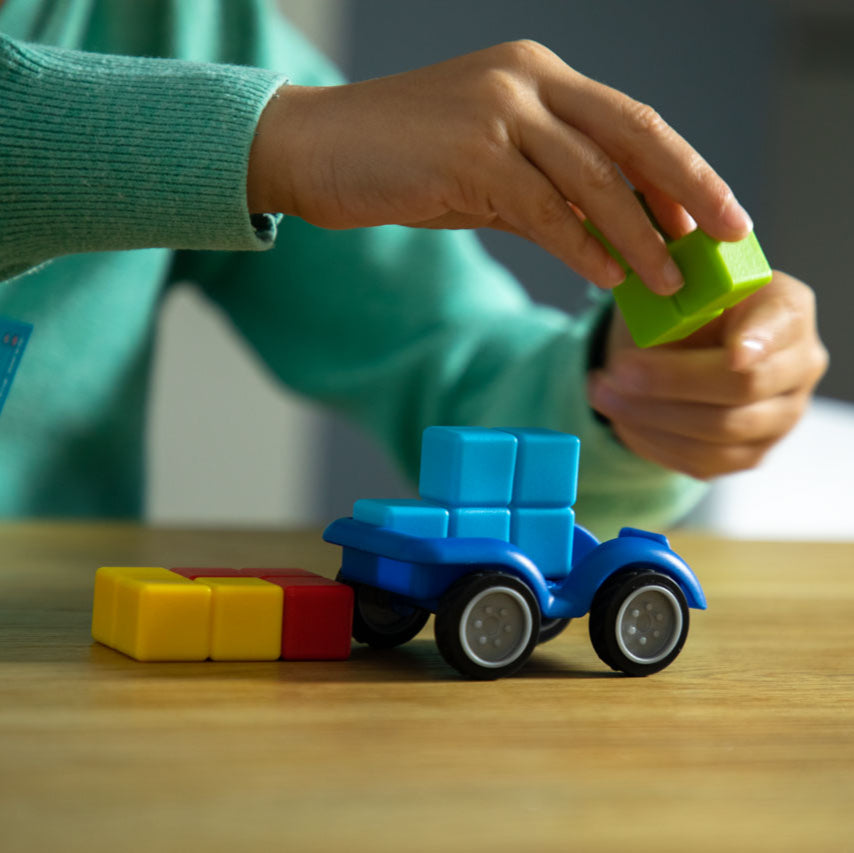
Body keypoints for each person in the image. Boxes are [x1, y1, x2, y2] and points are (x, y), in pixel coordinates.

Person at [0, 0, 827, 536]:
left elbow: (456, 361)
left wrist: (629, 390)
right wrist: (272, 143)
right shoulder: (253, 94)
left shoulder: (190, 31)